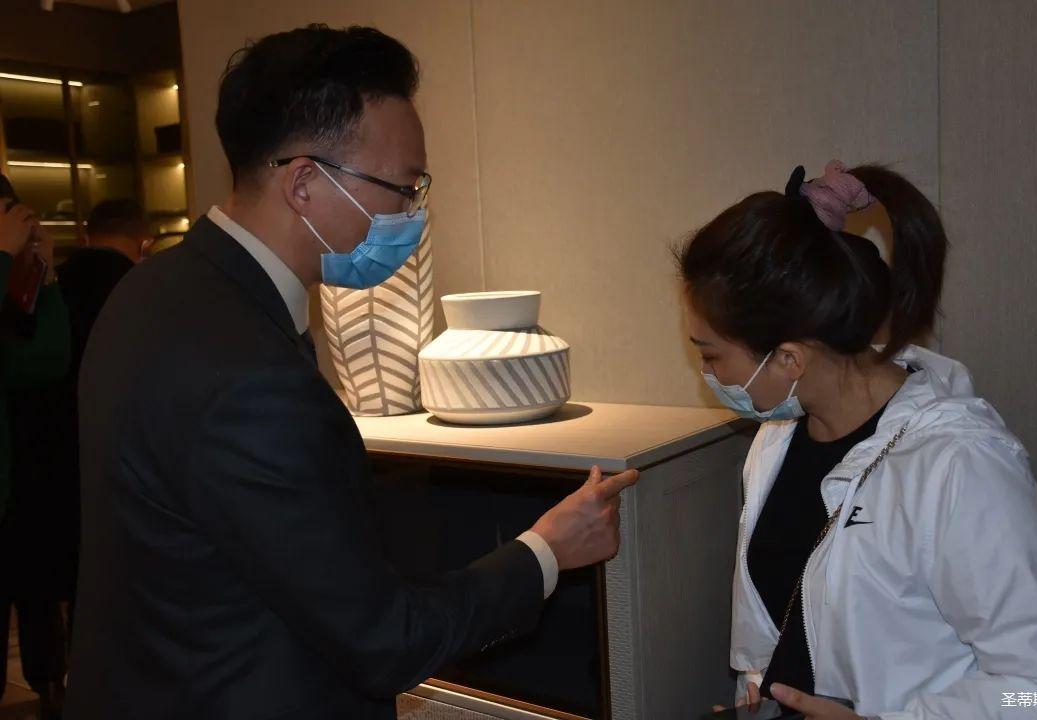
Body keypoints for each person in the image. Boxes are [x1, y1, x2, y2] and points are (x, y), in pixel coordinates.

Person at [66, 25, 638, 720]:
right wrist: (546, 551)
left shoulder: (151, 290)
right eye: (403, 187)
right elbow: (384, 641)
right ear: (304, 183)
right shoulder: (252, 378)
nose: (412, 214)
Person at [682, 161, 1037, 719]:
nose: (708, 375)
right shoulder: (776, 441)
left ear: (791, 359)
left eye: (711, 356)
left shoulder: (958, 466)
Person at [2, 198, 154, 718]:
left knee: (36, 584)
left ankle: (49, 686)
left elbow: (44, 362)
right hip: (98, 465)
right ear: (143, 244)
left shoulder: (50, 284)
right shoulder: (141, 292)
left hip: (29, 464)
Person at [0, 193, 71, 719]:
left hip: (27, 484)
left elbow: (47, 359)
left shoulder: (18, 290)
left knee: (39, 598)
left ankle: (49, 687)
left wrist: (41, 274)